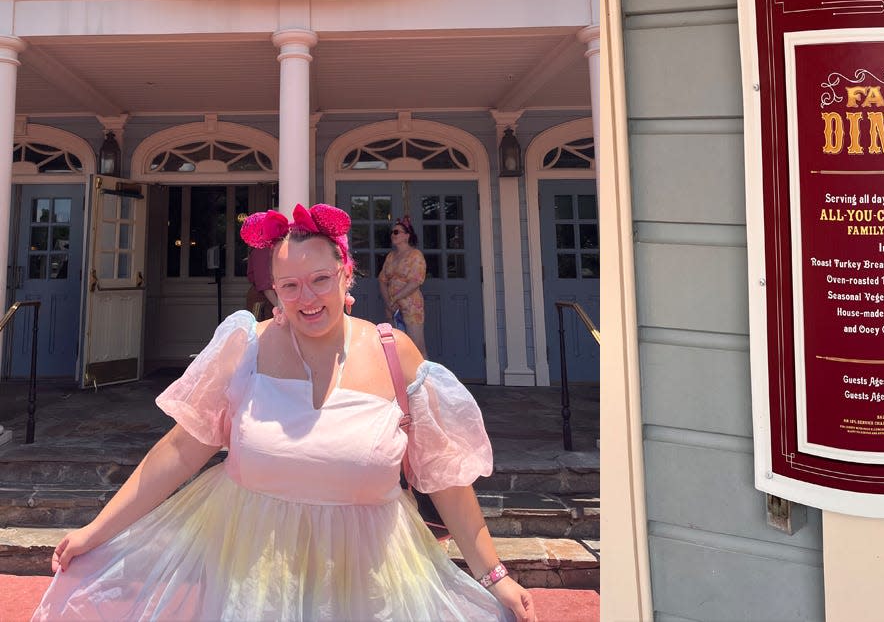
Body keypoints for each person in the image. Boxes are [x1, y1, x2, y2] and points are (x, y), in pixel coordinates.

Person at [33, 203, 536, 621]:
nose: (307, 297)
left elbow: (446, 481)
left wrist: (497, 577)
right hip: (252, 585)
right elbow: (181, 451)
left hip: (369, 586)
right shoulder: (244, 347)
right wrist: (93, 533)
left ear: (346, 275)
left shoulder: (395, 352)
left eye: (320, 279)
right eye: (289, 285)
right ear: (273, 289)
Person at [379, 215, 428, 357]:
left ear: (407, 236)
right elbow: (382, 279)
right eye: (392, 232)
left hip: (410, 306)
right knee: (396, 347)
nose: (392, 235)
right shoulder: (391, 256)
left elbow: (416, 281)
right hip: (392, 307)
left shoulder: (415, 255)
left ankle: (427, 379)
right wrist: (389, 302)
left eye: (396, 232)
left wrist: (395, 298)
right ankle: (404, 379)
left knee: (416, 347)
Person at [243, 244, 277, 321]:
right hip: (264, 301)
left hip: (271, 300)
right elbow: (265, 285)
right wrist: (280, 309)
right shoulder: (262, 249)